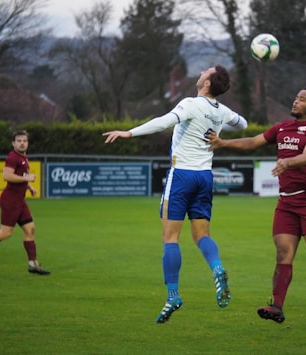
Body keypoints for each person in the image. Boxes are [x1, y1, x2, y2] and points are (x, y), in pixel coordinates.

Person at [206, 87, 306, 323]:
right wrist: (223, 142)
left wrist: (288, 161)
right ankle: (277, 307)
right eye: (296, 97)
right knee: (283, 252)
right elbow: (253, 142)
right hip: (286, 202)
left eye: (302, 99)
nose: (296, 101)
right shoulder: (282, 127)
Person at [102, 65, 247, 324]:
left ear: (207, 84)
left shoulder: (191, 103)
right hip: (205, 177)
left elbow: (164, 122)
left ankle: (173, 296)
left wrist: (129, 132)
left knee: (170, 238)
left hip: (181, 176)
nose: (201, 72)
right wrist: (221, 135)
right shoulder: (221, 111)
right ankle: (217, 268)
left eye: (206, 71)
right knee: (202, 235)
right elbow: (243, 124)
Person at [0, 130, 50, 275]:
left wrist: (29, 187)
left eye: (24, 140)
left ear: (28, 143)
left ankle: (33, 265)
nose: (22, 143)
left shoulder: (24, 157)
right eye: (19, 141)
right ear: (13, 143)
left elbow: (21, 176)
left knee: (30, 229)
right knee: (6, 233)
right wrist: (27, 179)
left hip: (20, 200)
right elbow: (7, 176)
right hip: (11, 201)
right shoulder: (13, 157)